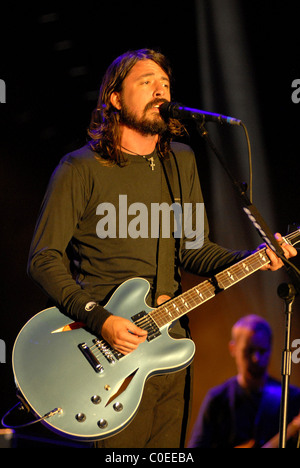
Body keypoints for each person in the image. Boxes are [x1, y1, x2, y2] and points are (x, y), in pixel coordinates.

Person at [27, 48, 297, 448]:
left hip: (168, 348)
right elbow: (43, 259)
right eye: (146, 81)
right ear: (115, 99)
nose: (160, 90)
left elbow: (194, 250)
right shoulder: (79, 169)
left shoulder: (181, 162)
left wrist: (255, 259)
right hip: (106, 353)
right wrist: (101, 319)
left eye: (165, 83)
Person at [188, 315, 300, 448]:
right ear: (233, 349)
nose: (256, 358)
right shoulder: (217, 399)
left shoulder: (292, 398)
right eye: (249, 350)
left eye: (262, 351)